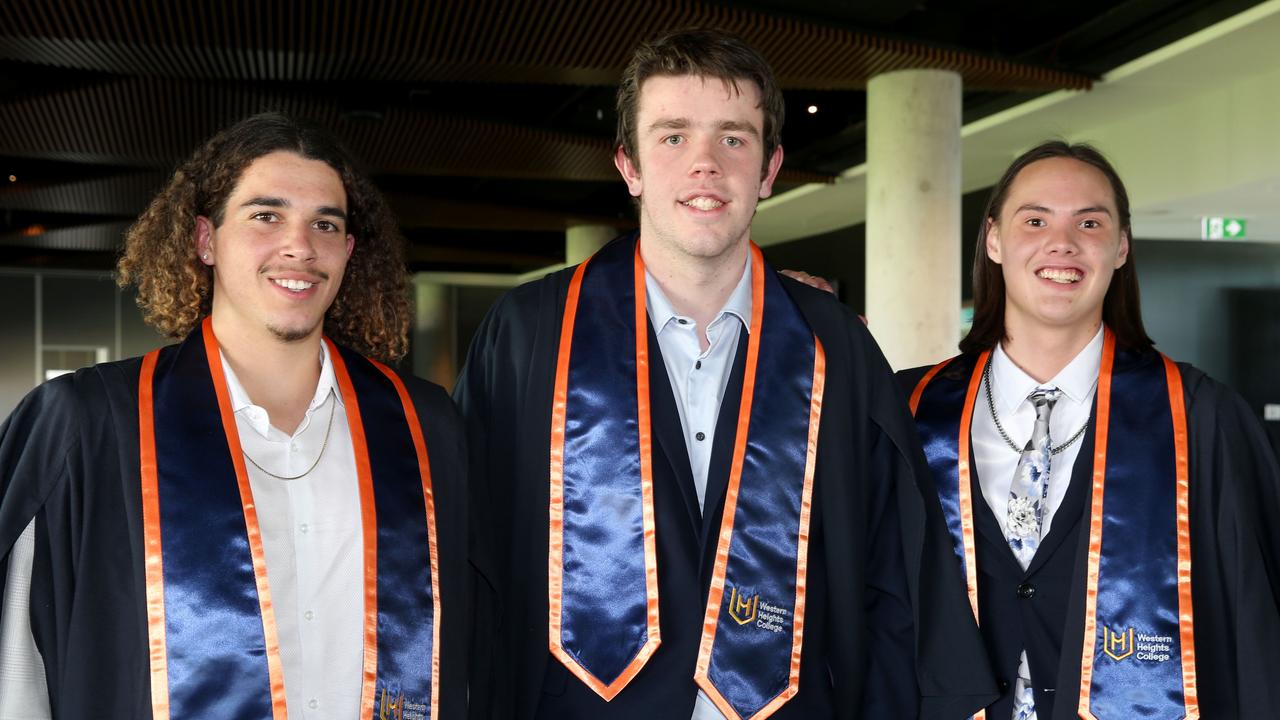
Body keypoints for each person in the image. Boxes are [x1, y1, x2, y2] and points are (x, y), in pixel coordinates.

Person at [455, 28, 993, 720]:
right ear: (630, 165)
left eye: (734, 139)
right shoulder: (529, 337)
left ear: (770, 169)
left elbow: (892, 578)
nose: (704, 165)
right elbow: (472, 567)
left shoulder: (836, 348)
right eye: (673, 137)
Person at [0, 113, 467, 719]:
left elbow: (472, 655)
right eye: (266, 216)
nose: (300, 246)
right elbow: (18, 675)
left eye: (325, 223)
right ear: (205, 239)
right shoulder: (90, 429)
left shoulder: (422, 426)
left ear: (349, 252)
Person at [899, 141, 1280, 719]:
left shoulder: (1203, 419)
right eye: (1035, 220)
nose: (1063, 243)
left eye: (1090, 222)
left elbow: (1256, 623)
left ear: (1121, 247)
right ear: (995, 240)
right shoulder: (909, 410)